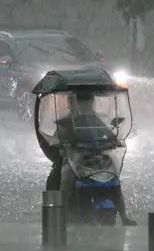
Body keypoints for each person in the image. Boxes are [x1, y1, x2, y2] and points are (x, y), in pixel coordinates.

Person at [45, 91, 136, 226]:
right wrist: (67, 145)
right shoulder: (65, 122)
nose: (86, 106)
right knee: (67, 177)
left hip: (93, 157)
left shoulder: (95, 120)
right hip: (73, 158)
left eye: (88, 103)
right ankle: (61, 212)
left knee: (114, 177)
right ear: (75, 104)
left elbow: (109, 135)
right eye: (83, 104)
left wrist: (114, 140)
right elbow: (56, 141)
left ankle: (124, 216)